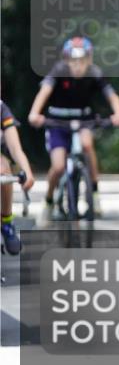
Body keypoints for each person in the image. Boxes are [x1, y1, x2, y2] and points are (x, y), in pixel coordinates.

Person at [27, 36, 119, 218]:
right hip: (57, 122)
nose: (78, 65)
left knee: (87, 145)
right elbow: (44, 92)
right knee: (58, 166)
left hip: (83, 120)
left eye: (82, 60)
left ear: (89, 60)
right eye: (73, 60)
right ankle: (48, 200)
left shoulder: (95, 73)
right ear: (66, 60)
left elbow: (112, 96)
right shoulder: (58, 71)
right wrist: (34, 113)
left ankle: (94, 193)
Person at [0, 99, 35, 255]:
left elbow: (15, 148)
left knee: (3, 169)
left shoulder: (1, 109)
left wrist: (27, 172)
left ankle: (6, 222)